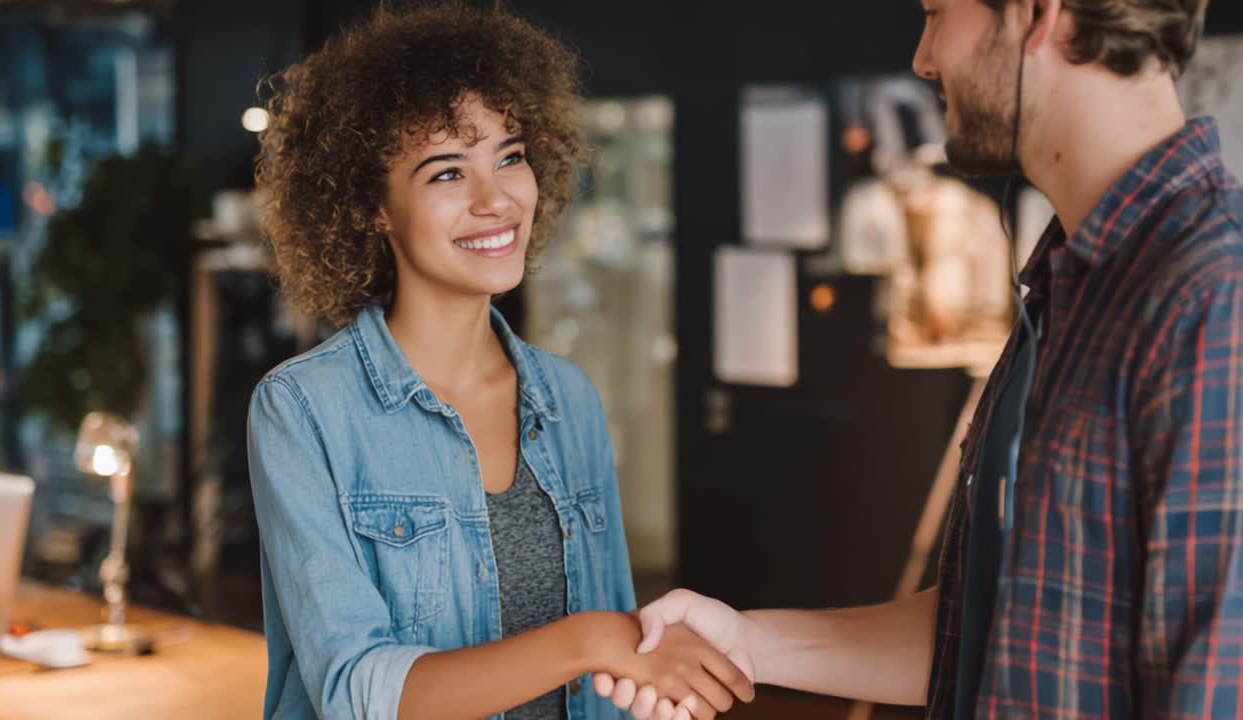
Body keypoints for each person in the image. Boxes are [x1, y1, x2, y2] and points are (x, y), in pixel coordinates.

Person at [597, 0, 1243, 718]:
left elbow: (1214, 691)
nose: (922, 58)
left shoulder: (1214, 298)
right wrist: (746, 640)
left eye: (937, 14)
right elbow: (997, 630)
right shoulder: (1074, 283)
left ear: (1037, 15)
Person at [247, 4, 753, 719]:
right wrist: (591, 639)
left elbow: (612, 686)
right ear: (371, 207)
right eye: (447, 173)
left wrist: (629, 662)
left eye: (510, 157)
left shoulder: (567, 398)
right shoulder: (303, 409)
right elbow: (354, 693)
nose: (497, 200)